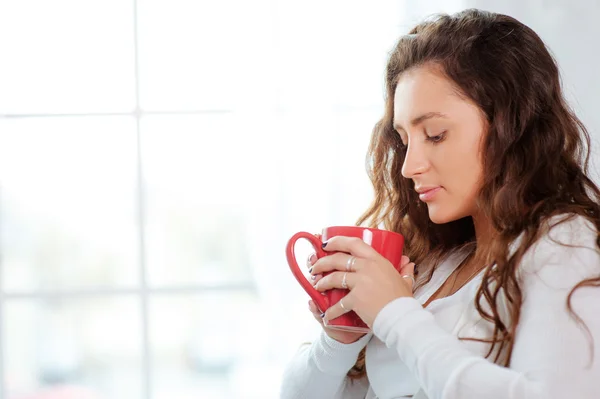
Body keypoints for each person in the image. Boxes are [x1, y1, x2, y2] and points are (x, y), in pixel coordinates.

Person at [279, 8, 600, 399]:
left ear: (510, 126)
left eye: (435, 134)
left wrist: (394, 313)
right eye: (403, 140)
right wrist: (340, 340)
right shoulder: (435, 261)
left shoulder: (562, 242)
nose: (410, 166)